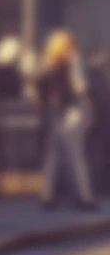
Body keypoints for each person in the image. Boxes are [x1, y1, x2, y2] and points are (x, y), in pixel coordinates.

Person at [36, 29, 96, 209]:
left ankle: (47, 196)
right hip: (71, 111)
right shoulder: (73, 61)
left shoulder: (48, 63)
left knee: (52, 155)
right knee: (75, 154)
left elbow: (39, 87)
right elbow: (80, 87)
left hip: (54, 112)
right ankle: (84, 197)